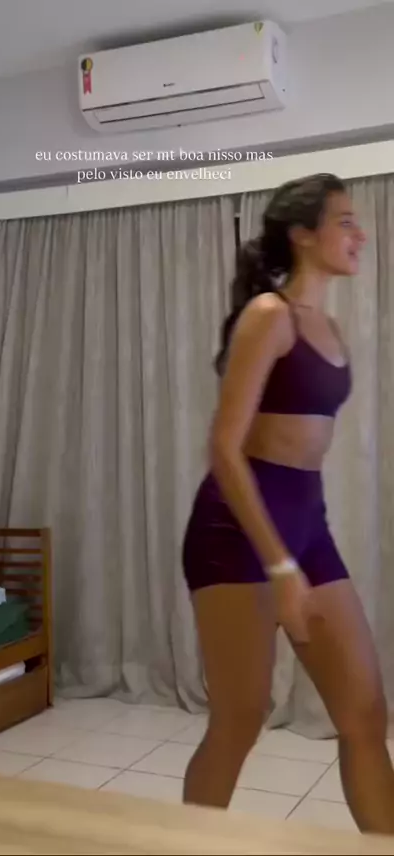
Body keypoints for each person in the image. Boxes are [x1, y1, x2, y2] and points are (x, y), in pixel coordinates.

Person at [182, 173, 394, 833]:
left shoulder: (326, 326)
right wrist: (279, 565)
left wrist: (296, 554)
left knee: (365, 715)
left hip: (307, 525)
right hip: (236, 531)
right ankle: (185, 844)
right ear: (303, 234)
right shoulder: (269, 316)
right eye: (345, 221)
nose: (360, 234)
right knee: (241, 716)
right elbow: (225, 447)